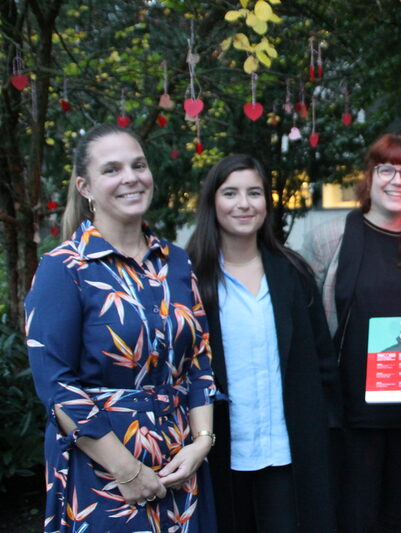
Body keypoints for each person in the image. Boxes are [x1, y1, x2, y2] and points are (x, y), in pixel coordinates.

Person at [25, 124, 217, 531]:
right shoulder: (64, 268)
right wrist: (127, 471)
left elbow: (200, 360)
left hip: (180, 464)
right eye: (112, 169)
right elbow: (57, 386)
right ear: (86, 187)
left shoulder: (177, 262)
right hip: (103, 471)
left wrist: (201, 444)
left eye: (138, 165)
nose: (131, 177)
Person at [301, 133, 401, 533]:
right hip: (353, 414)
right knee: (356, 518)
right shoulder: (331, 237)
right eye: (386, 169)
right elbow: (308, 323)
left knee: (400, 518)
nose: (397, 180)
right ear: (369, 177)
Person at [186, 154, 341, 532]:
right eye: (231, 193)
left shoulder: (292, 273)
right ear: (212, 202)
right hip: (218, 453)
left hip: (285, 453)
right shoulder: (189, 279)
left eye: (254, 193)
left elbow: (323, 363)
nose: (244, 204)